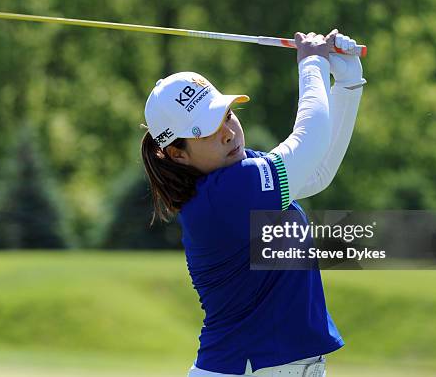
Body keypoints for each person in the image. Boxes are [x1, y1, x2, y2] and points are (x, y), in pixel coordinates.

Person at [140, 29, 366, 377]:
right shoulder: (226, 193)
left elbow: (316, 171)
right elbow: (309, 143)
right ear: (177, 155)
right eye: (207, 130)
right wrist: (312, 64)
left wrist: (347, 86)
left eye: (227, 115)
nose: (228, 132)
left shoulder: (240, 173)